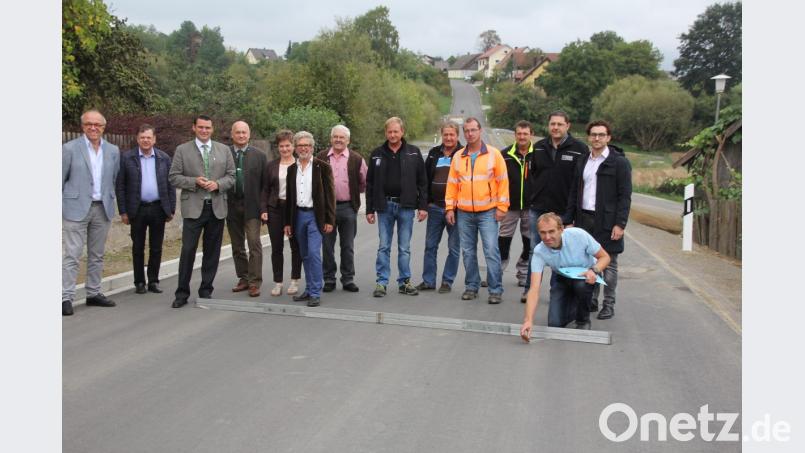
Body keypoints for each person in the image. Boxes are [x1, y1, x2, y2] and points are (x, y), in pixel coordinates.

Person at [564, 120, 632, 320]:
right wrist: (569, 219)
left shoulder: (619, 162)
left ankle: (608, 304)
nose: (597, 138)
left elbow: (625, 195)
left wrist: (620, 224)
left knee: (608, 263)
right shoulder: (583, 160)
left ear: (608, 138)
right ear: (588, 137)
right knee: (589, 260)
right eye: (593, 134)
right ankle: (591, 299)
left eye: (601, 135)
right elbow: (574, 193)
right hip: (584, 218)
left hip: (608, 220)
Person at [168, 115, 235, 308]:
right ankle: (181, 293)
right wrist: (193, 182)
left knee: (211, 252)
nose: (204, 131)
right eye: (201, 127)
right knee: (188, 250)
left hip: (216, 208)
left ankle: (206, 290)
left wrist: (218, 184)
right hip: (193, 208)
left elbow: (231, 176)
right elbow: (173, 177)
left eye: (207, 128)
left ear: (212, 129)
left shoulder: (223, 150)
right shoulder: (183, 150)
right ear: (194, 128)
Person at [522, 111, 588, 302]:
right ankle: (530, 290)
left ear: (568, 126)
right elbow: (532, 174)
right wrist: (532, 198)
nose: (556, 127)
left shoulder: (579, 149)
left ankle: (557, 293)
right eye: (553, 124)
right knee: (536, 250)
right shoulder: (539, 147)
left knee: (562, 252)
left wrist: (572, 214)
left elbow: (580, 183)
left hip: (563, 211)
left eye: (560, 124)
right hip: (538, 209)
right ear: (548, 126)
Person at [444, 117, 509, 304]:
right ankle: (471, 286)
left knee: (491, 250)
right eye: (467, 130)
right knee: (468, 251)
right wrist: (450, 208)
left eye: (473, 130)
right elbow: (452, 185)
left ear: (480, 131)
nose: (470, 134)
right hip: (464, 212)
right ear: (464, 133)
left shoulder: (494, 154)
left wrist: (502, 207)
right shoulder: (458, 156)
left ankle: (495, 289)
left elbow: (503, 182)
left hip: (488, 211)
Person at [62, 109, 121, 316]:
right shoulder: (69, 149)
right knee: (73, 254)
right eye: (89, 124)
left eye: (97, 125)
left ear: (104, 127)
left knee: (97, 255)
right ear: (82, 126)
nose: (93, 128)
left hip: (101, 208)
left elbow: (113, 179)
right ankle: (65, 297)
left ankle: (93, 293)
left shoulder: (113, 150)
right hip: (75, 209)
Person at [520, 213, 611, 340]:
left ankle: (583, 320)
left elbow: (605, 257)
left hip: (586, 276)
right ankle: (571, 303)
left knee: (581, 286)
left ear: (561, 229)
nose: (547, 237)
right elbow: (534, 289)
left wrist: (594, 270)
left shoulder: (578, 235)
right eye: (543, 232)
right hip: (562, 278)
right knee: (554, 324)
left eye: (551, 231)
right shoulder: (539, 251)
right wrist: (528, 320)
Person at [366, 117, 428, 298]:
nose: (393, 135)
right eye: (389, 132)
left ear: (402, 132)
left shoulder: (414, 153)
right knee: (384, 246)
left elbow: (423, 183)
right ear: (386, 133)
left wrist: (423, 206)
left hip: (406, 206)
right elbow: (369, 184)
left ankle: (405, 282)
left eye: (396, 131)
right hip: (384, 206)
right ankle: (381, 283)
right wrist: (369, 209)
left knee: (404, 247)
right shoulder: (377, 153)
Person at [115, 124, 175, 295]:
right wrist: (123, 211)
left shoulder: (164, 158)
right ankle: (139, 282)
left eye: (149, 137)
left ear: (154, 139)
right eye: (142, 137)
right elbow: (120, 186)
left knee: (156, 247)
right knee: (138, 247)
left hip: (158, 208)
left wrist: (171, 208)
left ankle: (154, 281)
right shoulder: (127, 158)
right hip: (137, 209)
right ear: (137, 139)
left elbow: (170, 184)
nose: (146, 140)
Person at [283, 131, 335, 307]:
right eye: (300, 145)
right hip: (298, 216)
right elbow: (289, 199)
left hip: (316, 216)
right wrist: (288, 222)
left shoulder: (323, 167)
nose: (304, 148)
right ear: (296, 148)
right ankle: (308, 289)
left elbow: (330, 196)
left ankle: (315, 292)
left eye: (307, 145)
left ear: (312, 147)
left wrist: (329, 220)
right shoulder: (291, 169)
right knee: (304, 254)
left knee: (313, 253)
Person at [317, 125, 367, 293]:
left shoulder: (357, 159)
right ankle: (329, 279)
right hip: (326, 210)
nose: (338, 140)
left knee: (347, 246)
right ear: (331, 139)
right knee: (327, 246)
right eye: (335, 137)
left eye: (342, 137)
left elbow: (363, 181)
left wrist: (352, 195)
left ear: (348, 140)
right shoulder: (321, 157)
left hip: (347, 208)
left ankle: (348, 279)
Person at [416, 121, 463, 293]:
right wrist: (425, 203)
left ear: (457, 136)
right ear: (442, 135)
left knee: (453, 247)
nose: (449, 138)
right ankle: (428, 281)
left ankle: (447, 281)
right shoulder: (434, 153)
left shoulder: (463, 153)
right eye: (446, 135)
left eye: (452, 134)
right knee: (430, 246)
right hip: (435, 207)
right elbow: (425, 179)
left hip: (456, 210)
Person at [226, 121, 268, 297]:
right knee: (237, 245)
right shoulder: (224, 154)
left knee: (254, 244)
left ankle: (254, 282)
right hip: (231, 205)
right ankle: (243, 278)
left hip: (252, 206)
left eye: (244, 132)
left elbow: (265, 185)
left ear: (249, 135)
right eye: (238, 132)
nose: (241, 135)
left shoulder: (260, 155)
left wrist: (264, 209)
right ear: (232, 134)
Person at [261, 130, 302, 296]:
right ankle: (278, 282)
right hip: (275, 209)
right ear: (278, 147)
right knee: (276, 248)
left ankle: (294, 280)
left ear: (293, 146)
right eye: (281, 146)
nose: (285, 149)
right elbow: (264, 189)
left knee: (295, 246)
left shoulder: (300, 164)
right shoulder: (271, 166)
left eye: (288, 145)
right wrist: (263, 209)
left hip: (294, 210)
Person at [499, 120, 534, 287]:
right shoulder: (504, 154)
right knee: (503, 240)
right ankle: (497, 271)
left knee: (529, 242)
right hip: (508, 206)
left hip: (531, 207)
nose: (522, 137)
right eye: (519, 133)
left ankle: (523, 273)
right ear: (515, 135)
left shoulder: (539, 154)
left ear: (531, 135)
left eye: (525, 134)